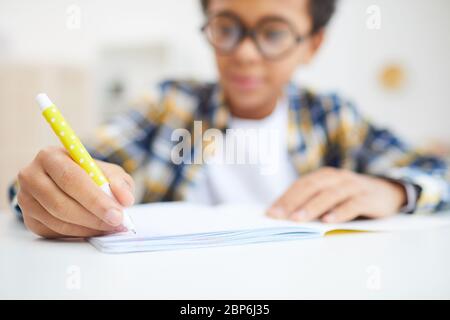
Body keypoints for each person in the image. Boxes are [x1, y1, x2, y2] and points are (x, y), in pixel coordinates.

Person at [9, 0, 450, 238]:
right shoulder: (170, 105)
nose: (243, 53)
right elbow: (58, 175)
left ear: (312, 44)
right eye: (226, 27)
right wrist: (50, 191)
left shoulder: (332, 116)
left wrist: (394, 190)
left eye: (273, 33)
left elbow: (437, 172)